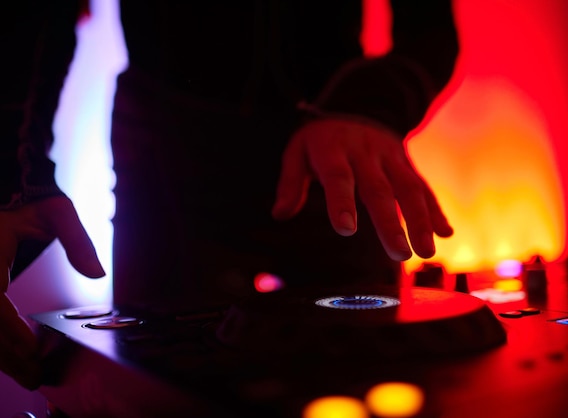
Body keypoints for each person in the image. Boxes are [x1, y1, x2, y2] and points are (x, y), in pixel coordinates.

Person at [0, 0, 458, 390]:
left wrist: (369, 108)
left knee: (364, 372)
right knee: (167, 387)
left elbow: (429, 25)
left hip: (332, 147)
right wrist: (15, 179)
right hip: (168, 144)